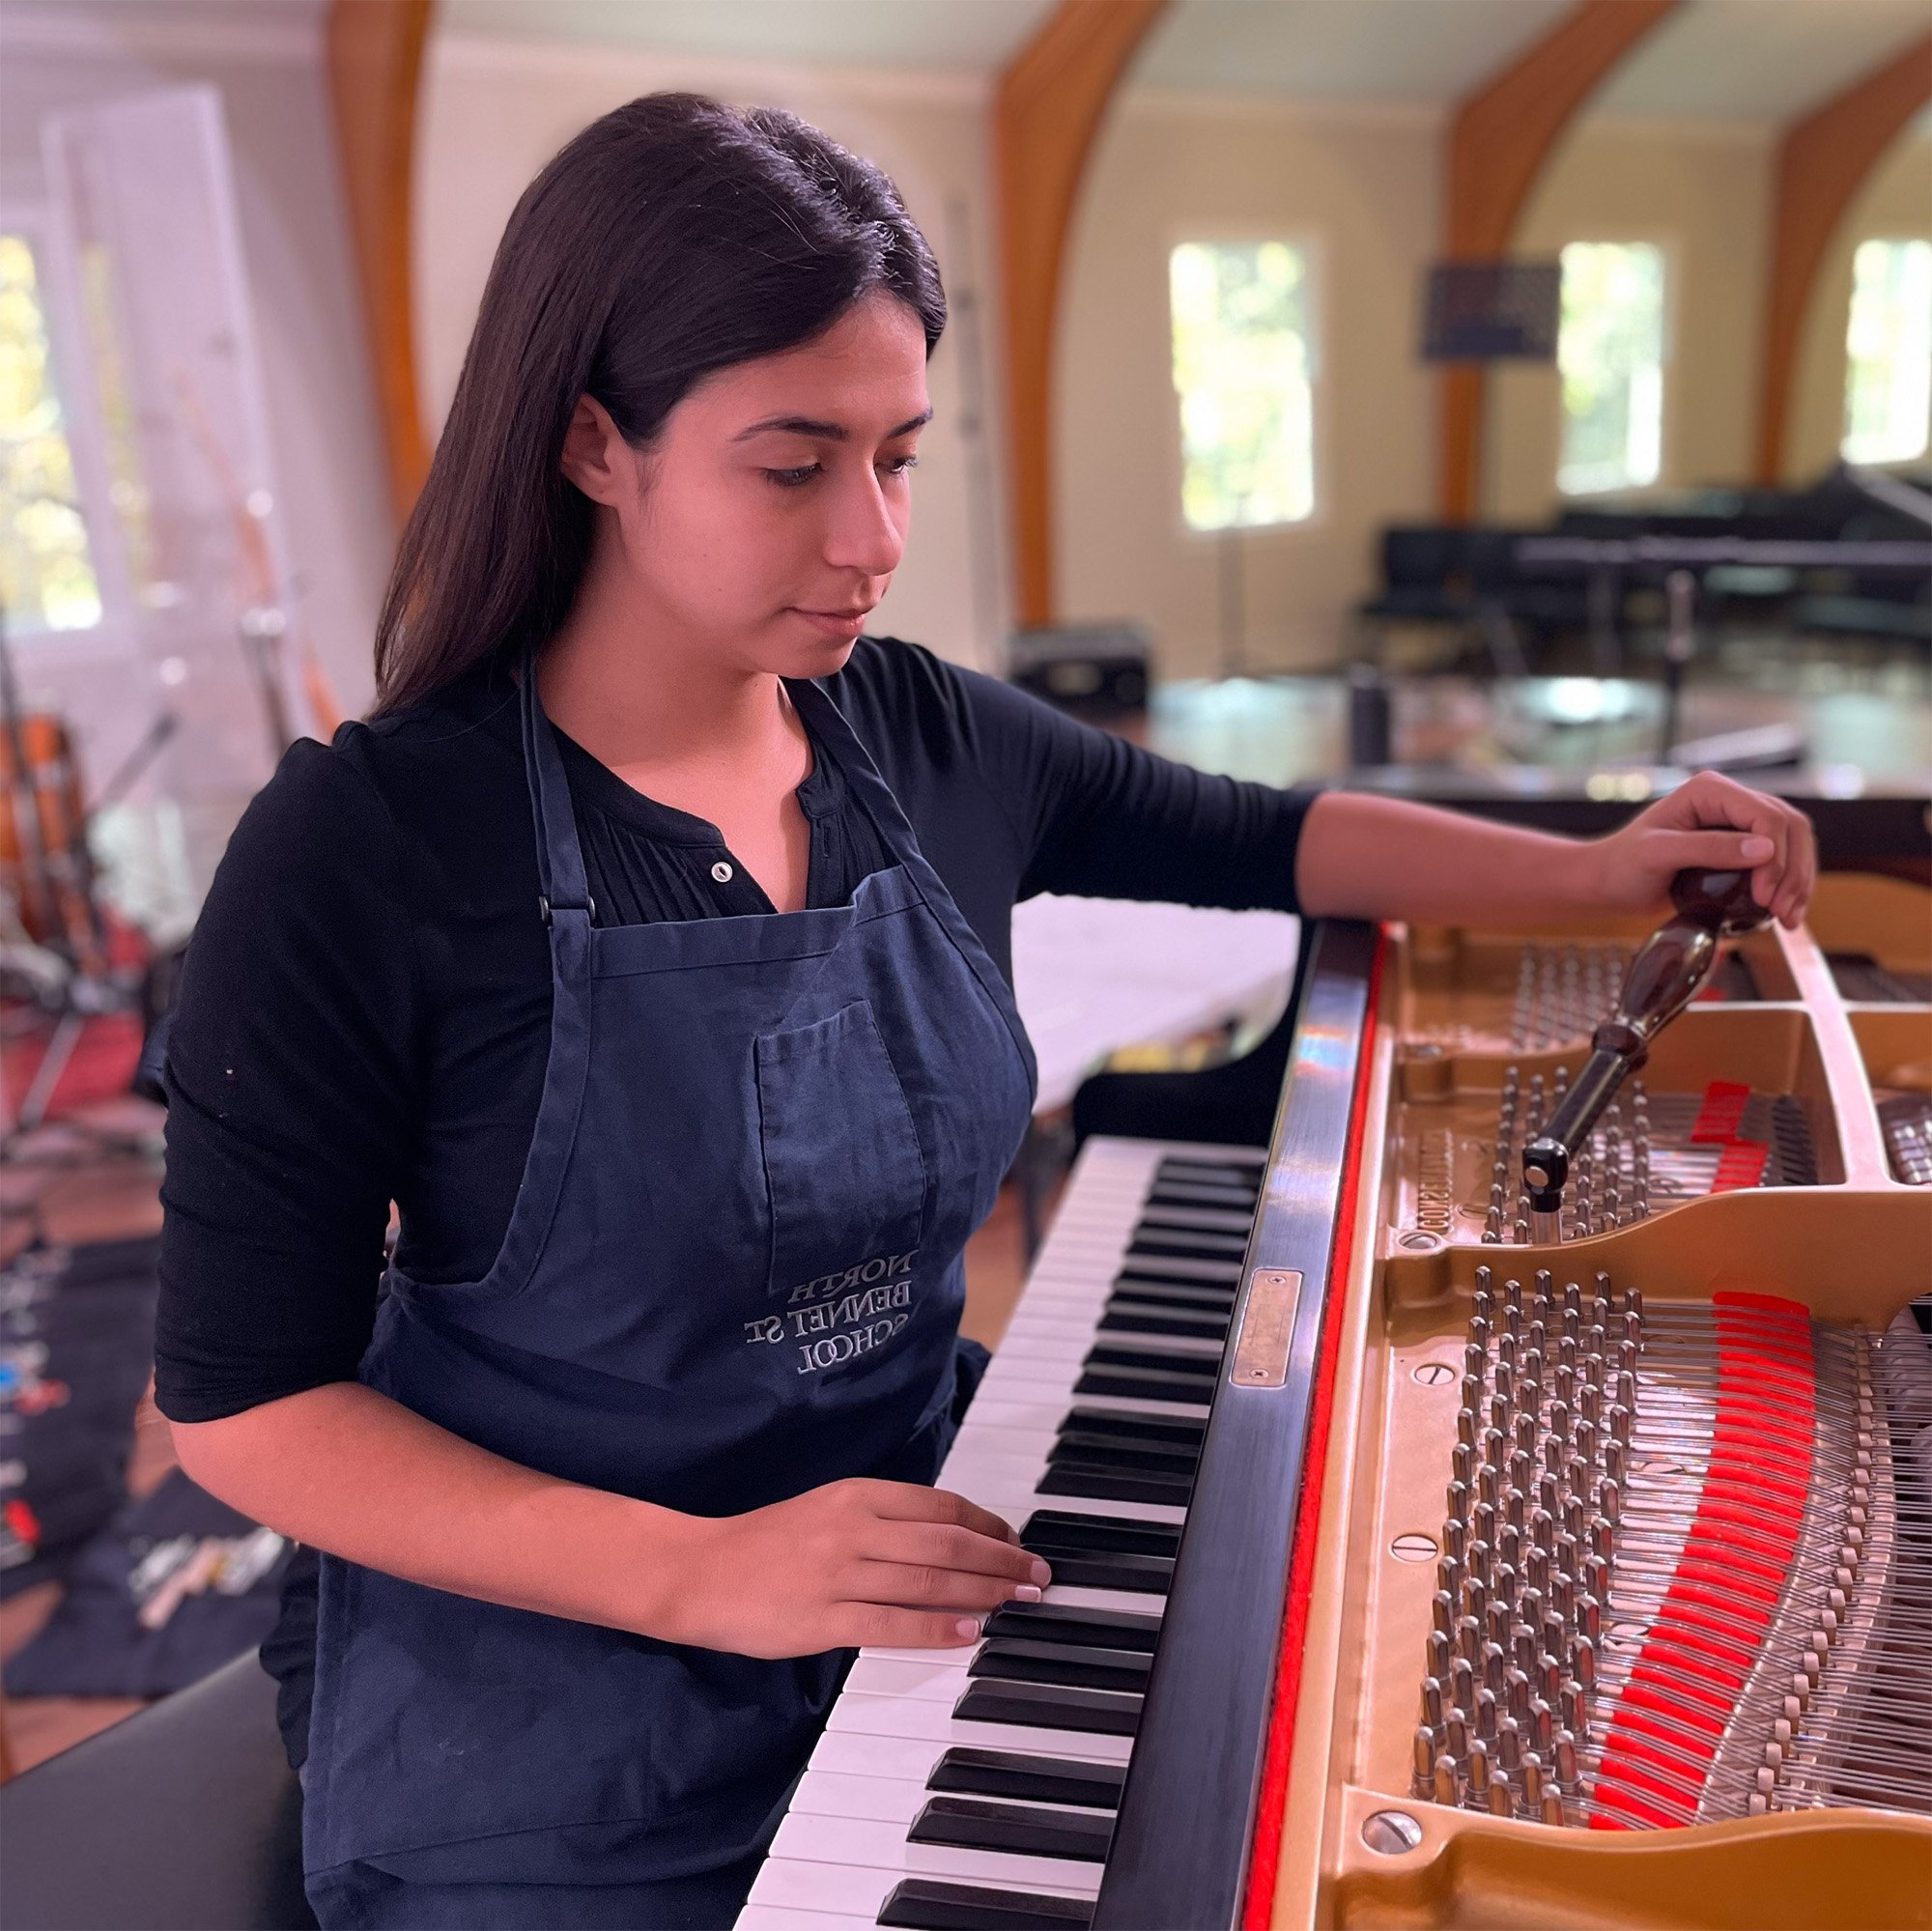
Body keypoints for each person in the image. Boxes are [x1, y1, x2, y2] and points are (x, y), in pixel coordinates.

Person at [155, 93, 1816, 1930]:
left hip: (903, 1519)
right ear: (593, 444)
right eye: (795, 465)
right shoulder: (368, 844)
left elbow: (1274, 841)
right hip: (553, 1655)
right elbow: (246, 1408)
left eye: (901, 455)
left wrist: (1606, 866)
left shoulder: (919, 731)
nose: (872, 536)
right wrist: (707, 1579)